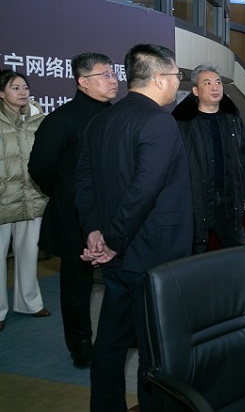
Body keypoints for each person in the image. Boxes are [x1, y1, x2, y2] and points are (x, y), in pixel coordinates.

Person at [74, 44, 192, 412]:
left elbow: (83, 182)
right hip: (152, 254)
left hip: (117, 256)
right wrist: (112, 240)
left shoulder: (102, 120)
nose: (178, 83)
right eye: (176, 76)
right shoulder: (159, 121)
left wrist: (94, 230)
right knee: (156, 349)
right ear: (159, 79)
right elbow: (145, 189)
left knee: (111, 342)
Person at [28, 53, 118, 367]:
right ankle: (80, 342)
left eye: (113, 73)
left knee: (121, 279)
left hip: (115, 215)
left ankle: (124, 333)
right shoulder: (62, 119)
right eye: (104, 75)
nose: (113, 80)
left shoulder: (118, 115)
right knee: (77, 286)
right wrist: (67, 194)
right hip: (74, 216)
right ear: (83, 82)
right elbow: (39, 167)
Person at [172, 63, 245, 254]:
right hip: (196, 199)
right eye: (207, 83)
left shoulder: (233, 119)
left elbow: (244, 157)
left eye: (218, 82)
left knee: (239, 253)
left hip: (229, 197)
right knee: (195, 255)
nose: (215, 87)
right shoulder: (182, 122)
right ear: (195, 90)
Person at [0, 70, 50, 332]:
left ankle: (29, 302)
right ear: (1, 93)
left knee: (29, 253)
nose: (22, 92)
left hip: (32, 194)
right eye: (15, 87)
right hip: (3, 198)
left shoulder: (37, 117)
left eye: (25, 87)